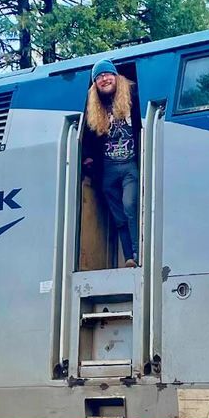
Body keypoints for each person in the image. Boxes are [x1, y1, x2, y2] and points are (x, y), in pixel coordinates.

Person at [83, 60, 139, 267]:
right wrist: (87, 157)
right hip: (108, 168)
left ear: (116, 76)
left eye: (108, 74)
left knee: (130, 205)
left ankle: (138, 251)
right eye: (99, 77)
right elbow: (88, 135)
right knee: (118, 217)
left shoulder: (131, 97)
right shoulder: (95, 108)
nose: (104, 79)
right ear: (95, 84)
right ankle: (129, 257)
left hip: (129, 164)